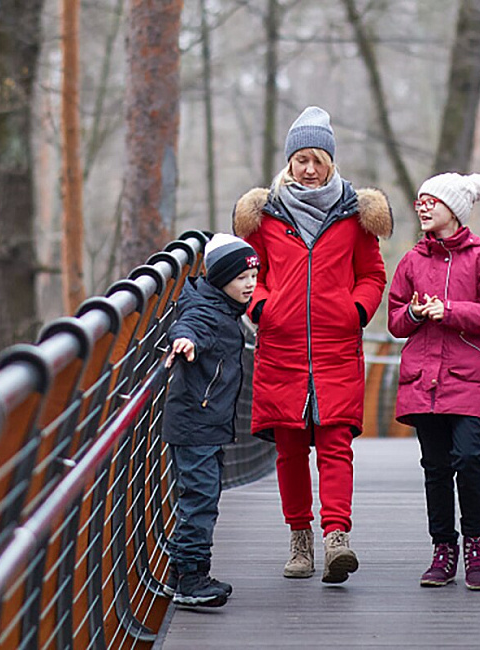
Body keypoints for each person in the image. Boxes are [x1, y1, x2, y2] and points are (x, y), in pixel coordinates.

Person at [232, 106, 391, 583]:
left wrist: (357, 311)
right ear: (289, 162)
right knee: (289, 449)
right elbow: (247, 274)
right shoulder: (264, 217)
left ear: (330, 162)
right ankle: (300, 540)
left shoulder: (353, 216)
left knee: (336, 445)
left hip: (337, 349)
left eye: (317, 158)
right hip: (281, 350)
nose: (308, 168)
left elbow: (372, 275)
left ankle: (337, 538)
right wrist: (261, 309)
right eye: (301, 158)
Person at [386, 172, 480, 590]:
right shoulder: (410, 261)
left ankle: (478, 546)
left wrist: (452, 311)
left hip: (467, 379)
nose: (422, 207)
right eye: (419, 201)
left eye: (431, 202)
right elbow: (395, 322)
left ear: (454, 210)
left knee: (470, 459)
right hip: (424, 380)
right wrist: (417, 313)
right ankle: (443, 550)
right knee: (436, 468)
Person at [162, 233, 261, 607]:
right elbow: (189, 325)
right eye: (242, 278)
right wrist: (184, 341)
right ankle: (192, 578)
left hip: (205, 424)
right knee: (200, 499)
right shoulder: (207, 309)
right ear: (221, 278)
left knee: (201, 495)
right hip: (196, 425)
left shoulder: (223, 307)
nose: (250, 285)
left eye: (254, 277)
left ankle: (179, 574)